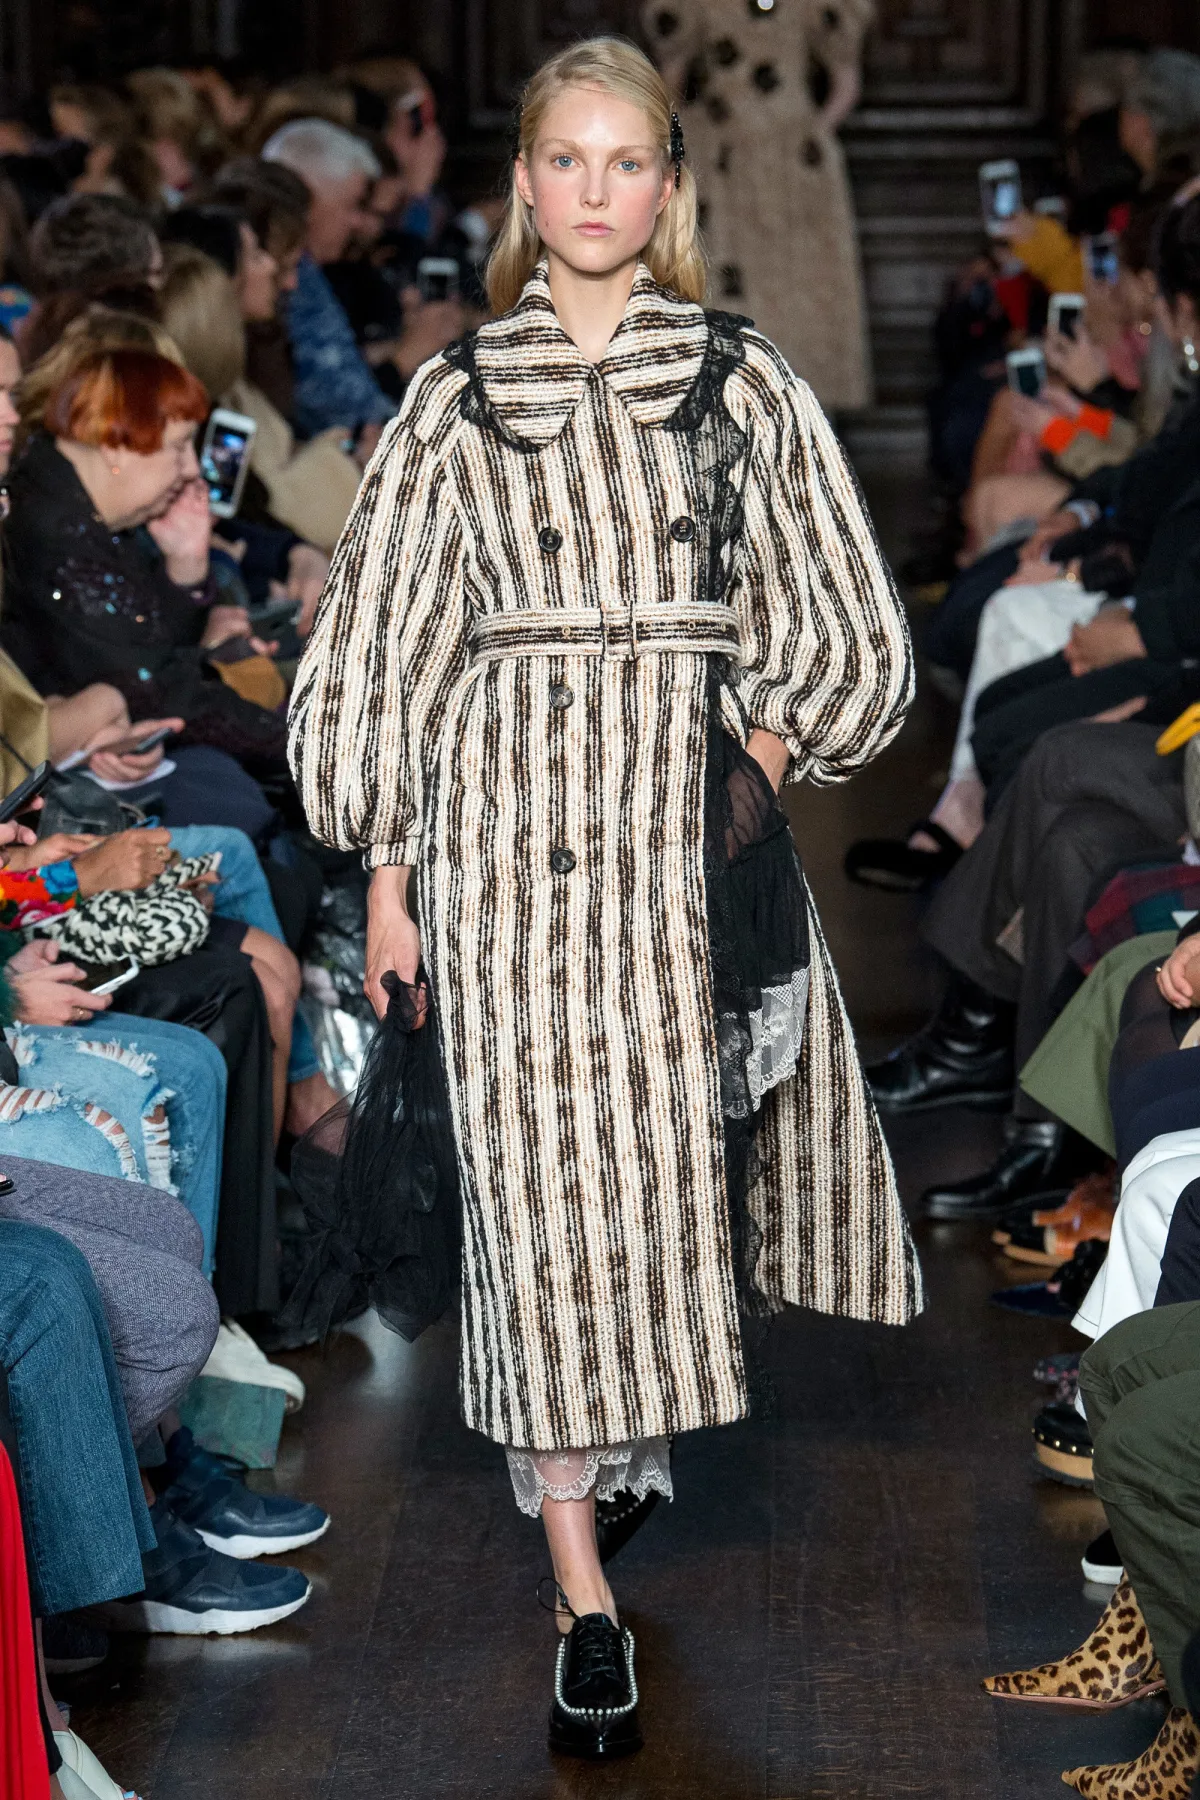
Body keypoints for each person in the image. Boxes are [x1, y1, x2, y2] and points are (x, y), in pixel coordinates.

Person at [290, 36, 920, 1758]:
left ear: (668, 187)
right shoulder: (458, 395)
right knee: (533, 1201)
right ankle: (581, 1590)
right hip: (500, 852)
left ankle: (610, 1456)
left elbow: (844, 621)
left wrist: (754, 772)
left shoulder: (737, 381)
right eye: (563, 160)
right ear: (523, 185)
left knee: (649, 1186)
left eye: (624, 161)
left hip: (673, 855)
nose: (592, 191)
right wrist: (393, 876)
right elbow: (391, 649)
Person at [1, 345, 289, 775]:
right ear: (115, 446)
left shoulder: (73, 504)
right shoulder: (54, 533)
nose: (191, 469)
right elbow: (154, 689)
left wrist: (185, 567)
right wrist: (308, 744)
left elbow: (145, 655)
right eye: (179, 447)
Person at [643, 0, 873, 411]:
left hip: (796, 170)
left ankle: (803, 421)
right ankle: (731, 413)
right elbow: (668, 85)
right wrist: (687, 140)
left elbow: (847, 82)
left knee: (802, 288)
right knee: (726, 286)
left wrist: (813, 135)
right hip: (722, 168)